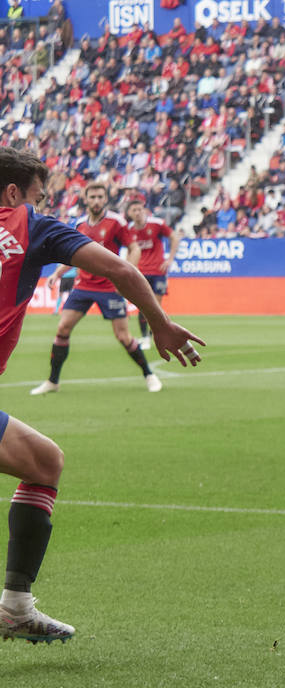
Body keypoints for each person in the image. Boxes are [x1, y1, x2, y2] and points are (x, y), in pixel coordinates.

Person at [0, 146, 203, 643]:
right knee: (45, 463)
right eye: (38, 196)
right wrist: (161, 325)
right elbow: (124, 271)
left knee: (43, 462)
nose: (42, 204)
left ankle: (15, 609)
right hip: (101, 287)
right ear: (14, 193)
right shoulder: (32, 226)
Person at [31, 182, 164, 394]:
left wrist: (126, 277)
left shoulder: (116, 222)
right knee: (63, 329)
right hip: (83, 285)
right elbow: (72, 253)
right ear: (86, 199)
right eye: (92, 197)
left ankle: (149, 375)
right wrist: (57, 274)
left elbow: (134, 249)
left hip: (110, 286)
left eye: (100, 197)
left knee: (123, 337)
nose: (96, 201)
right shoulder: (80, 224)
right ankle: (53, 381)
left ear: (106, 199)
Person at [124, 197, 180, 350]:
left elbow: (174, 237)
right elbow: (130, 250)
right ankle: (145, 338)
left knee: (156, 306)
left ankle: (156, 335)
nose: (137, 212)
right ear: (129, 213)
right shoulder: (128, 229)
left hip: (158, 271)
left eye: (139, 209)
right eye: (134, 210)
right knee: (143, 306)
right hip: (140, 272)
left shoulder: (157, 223)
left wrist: (170, 259)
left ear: (144, 210)